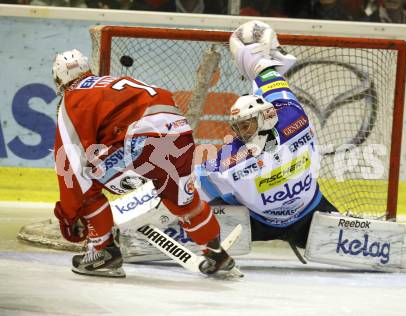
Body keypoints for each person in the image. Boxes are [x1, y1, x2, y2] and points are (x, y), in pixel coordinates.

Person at [52, 49, 235, 277]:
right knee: (185, 202)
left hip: (141, 141)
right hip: (179, 132)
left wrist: (68, 214)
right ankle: (217, 253)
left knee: (86, 182)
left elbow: (70, 164)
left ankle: (103, 252)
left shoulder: (72, 98)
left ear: (59, 79)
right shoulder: (116, 81)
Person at [196, 21, 339, 256]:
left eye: (248, 123)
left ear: (267, 115)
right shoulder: (290, 117)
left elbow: (270, 80)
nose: (243, 131)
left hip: (311, 212)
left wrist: (261, 61)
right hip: (255, 224)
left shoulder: (293, 118)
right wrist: (261, 63)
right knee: (206, 207)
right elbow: (189, 186)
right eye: (238, 126)